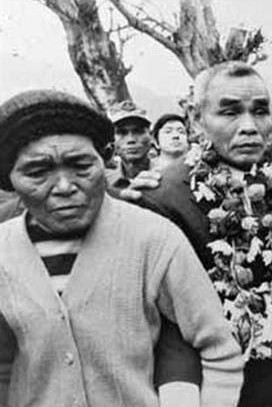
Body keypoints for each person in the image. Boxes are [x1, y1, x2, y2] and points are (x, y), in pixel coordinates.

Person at [0, 90, 244, 407]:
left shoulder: (155, 238)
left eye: (80, 165)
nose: (64, 186)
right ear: (10, 179)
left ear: (106, 161)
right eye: (37, 172)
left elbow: (218, 349)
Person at [135, 61, 272, 407]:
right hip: (215, 389)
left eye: (260, 111)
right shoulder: (162, 197)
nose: (249, 127)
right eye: (230, 112)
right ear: (197, 118)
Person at [105, 100, 154, 191]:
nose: (131, 139)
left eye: (138, 131)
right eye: (122, 133)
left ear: (151, 137)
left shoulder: (167, 176)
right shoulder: (105, 184)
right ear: (112, 140)